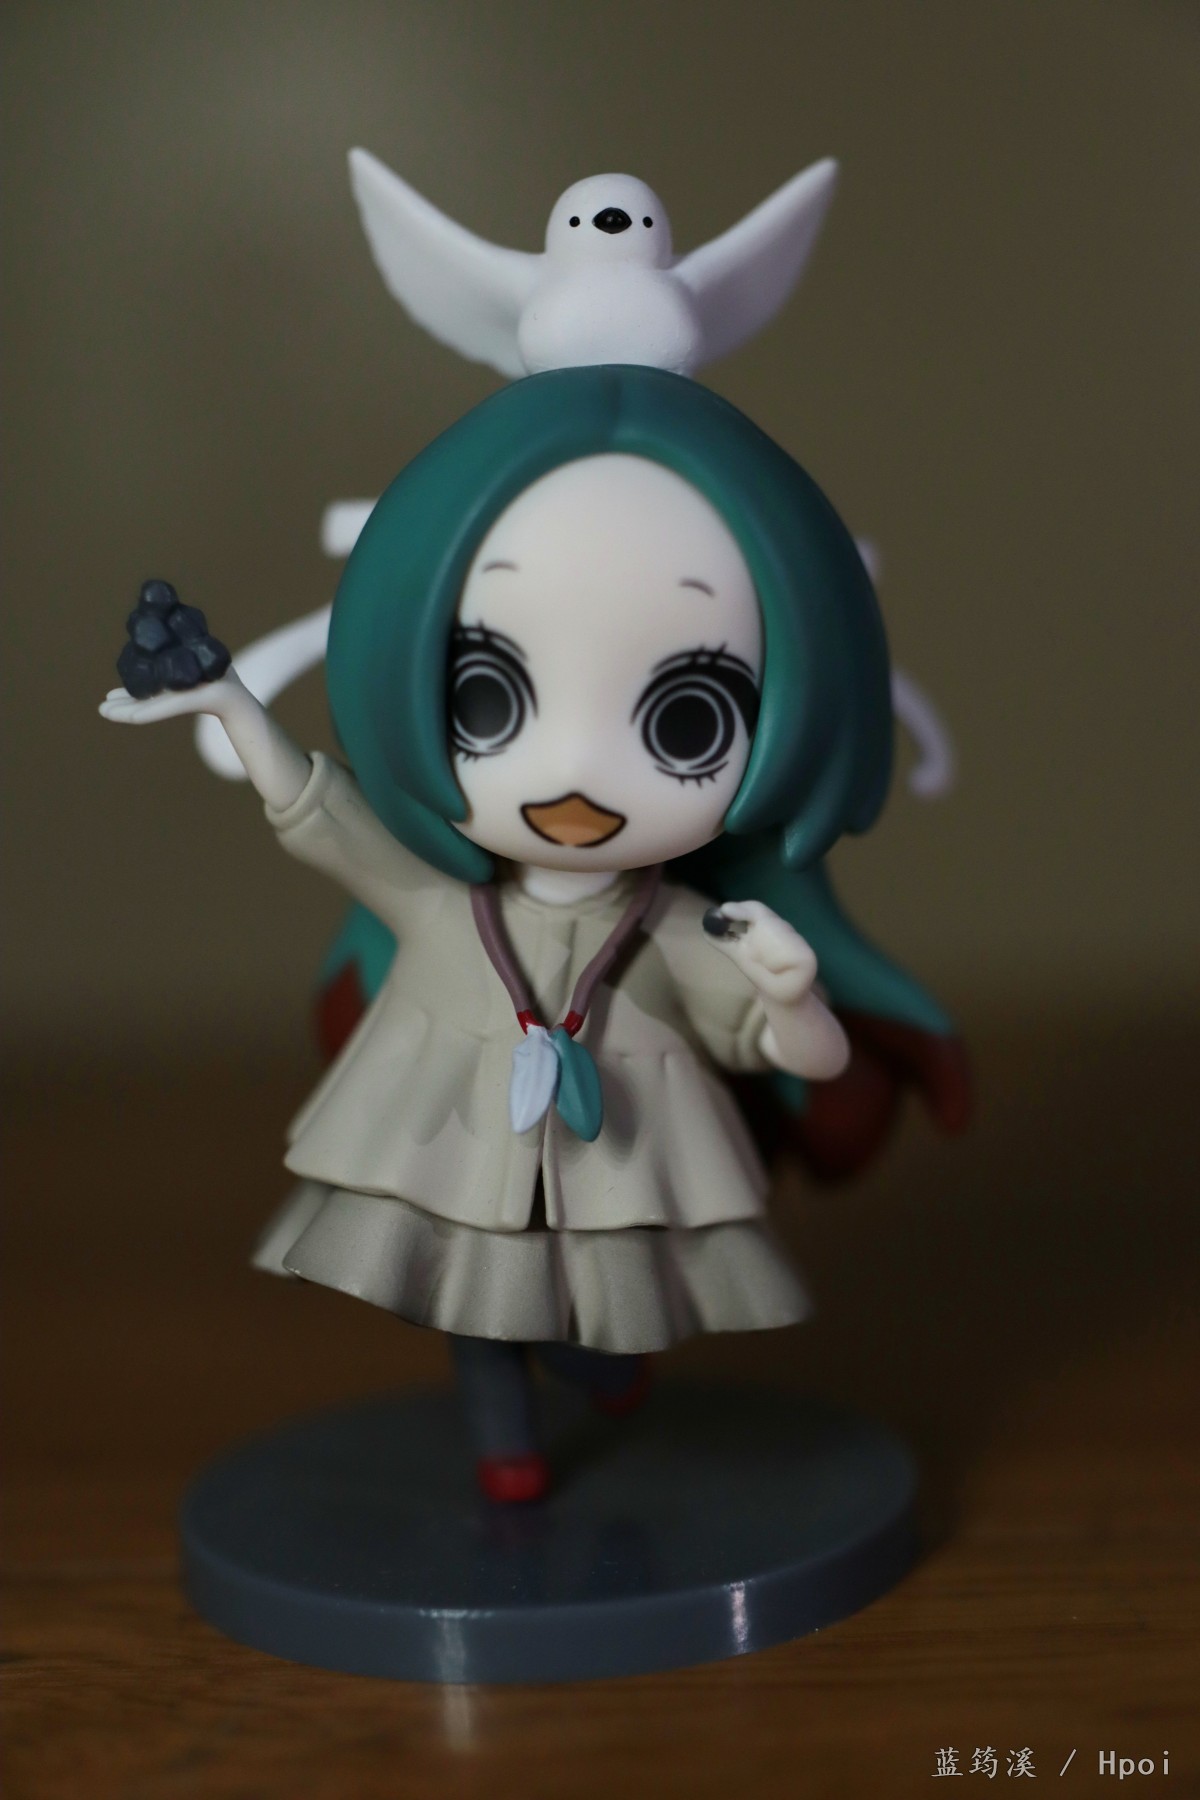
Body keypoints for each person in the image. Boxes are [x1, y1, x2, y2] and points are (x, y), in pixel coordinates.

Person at [102, 364, 931, 1502]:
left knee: (603, 1308)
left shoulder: (677, 928)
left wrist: (791, 996)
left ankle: (598, 1366)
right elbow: (322, 816)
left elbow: (796, 1055)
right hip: (459, 1139)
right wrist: (229, 703)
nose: (576, 773)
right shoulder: (447, 906)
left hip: (616, 1164)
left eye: (685, 720)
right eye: (488, 696)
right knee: (473, 1304)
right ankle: (506, 1446)